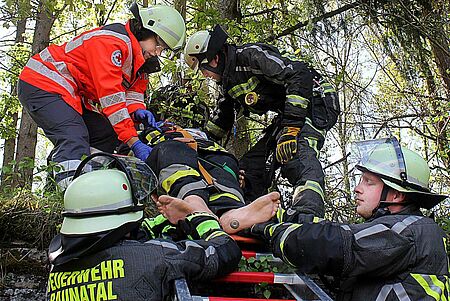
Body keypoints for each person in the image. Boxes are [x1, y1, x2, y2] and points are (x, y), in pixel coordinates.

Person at [250, 137, 449, 300]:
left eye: (369, 182)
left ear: (396, 194)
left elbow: (334, 244)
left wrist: (266, 229)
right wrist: (282, 216)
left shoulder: (409, 231)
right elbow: (337, 231)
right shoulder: (406, 229)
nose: (357, 188)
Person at [18, 4, 186, 189]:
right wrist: (134, 142)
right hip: (42, 82)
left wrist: (138, 111)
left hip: (69, 93)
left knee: (104, 133)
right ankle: (70, 195)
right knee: (73, 134)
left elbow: (133, 95)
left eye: (163, 50)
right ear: (146, 29)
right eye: (159, 45)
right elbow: (111, 99)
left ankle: (86, 180)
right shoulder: (110, 43)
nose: (158, 53)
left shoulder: (139, 62)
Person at [183, 25, 340, 222]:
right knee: (249, 168)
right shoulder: (227, 83)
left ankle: (308, 217)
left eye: (203, 69)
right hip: (288, 113)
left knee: (296, 154)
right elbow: (222, 120)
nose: (204, 75)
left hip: (315, 99)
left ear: (213, 59)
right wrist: (196, 141)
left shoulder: (250, 56)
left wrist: (291, 129)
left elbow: (299, 74)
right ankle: (252, 220)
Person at [47, 153, 241, 301]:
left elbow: (110, 242)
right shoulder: (155, 257)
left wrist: (157, 224)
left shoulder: (56, 271)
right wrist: (199, 218)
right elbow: (224, 252)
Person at [138, 124, 280, 234]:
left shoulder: (197, 134)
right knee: (176, 162)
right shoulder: (151, 134)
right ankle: (196, 204)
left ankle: (231, 213)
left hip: (213, 153)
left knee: (225, 180)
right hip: (174, 148)